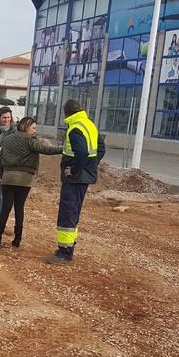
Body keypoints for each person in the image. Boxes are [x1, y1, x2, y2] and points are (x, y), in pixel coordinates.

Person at [46, 99, 106, 264]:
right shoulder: (89, 124)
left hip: (74, 178)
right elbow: (100, 149)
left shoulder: (75, 128)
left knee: (68, 212)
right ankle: (68, 247)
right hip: (83, 177)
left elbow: (82, 153)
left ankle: (65, 252)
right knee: (73, 212)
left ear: (66, 113)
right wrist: (89, 167)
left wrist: (74, 170)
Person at [0, 117, 61, 248]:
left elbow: (0, 158)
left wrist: (1, 174)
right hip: (24, 179)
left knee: (5, 207)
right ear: (26, 127)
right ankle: (17, 240)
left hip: (8, 177)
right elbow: (45, 150)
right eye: (33, 128)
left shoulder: (6, 139)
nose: (34, 131)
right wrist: (63, 150)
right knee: (19, 207)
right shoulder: (30, 140)